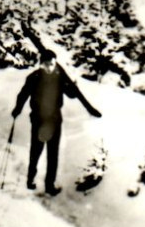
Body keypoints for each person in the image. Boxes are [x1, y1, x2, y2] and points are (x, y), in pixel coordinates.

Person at [12, 49, 101, 196]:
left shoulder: (59, 78)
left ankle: (49, 185)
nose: (49, 67)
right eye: (46, 64)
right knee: (36, 151)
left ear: (54, 63)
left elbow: (71, 94)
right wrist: (17, 109)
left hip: (54, 120)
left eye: (51, 64)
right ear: (41, 64)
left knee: (53, 154)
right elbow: (23, 94)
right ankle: (30, 180)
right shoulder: (33, 77)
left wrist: (73, 86)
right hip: (39, 120)